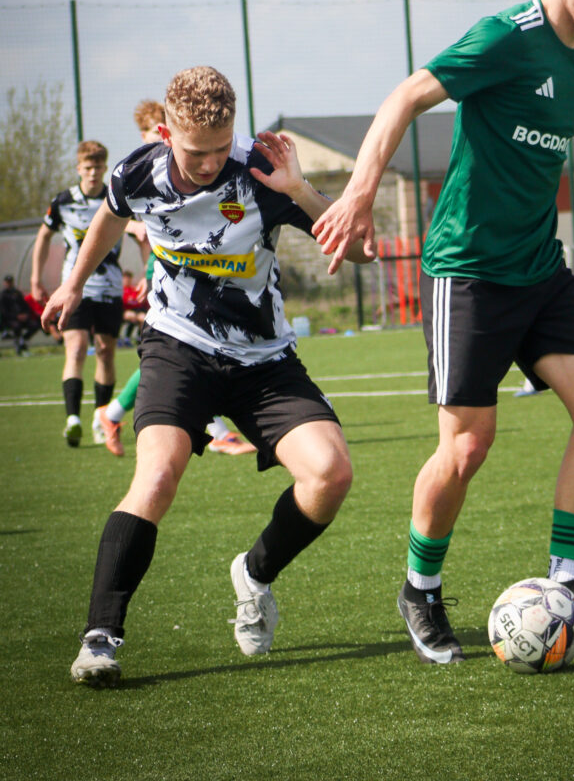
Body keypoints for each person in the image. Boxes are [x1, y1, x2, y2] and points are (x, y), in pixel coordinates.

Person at [313, 0, 574, 663]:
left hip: (539, 269)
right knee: (466, 447)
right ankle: (420, 590)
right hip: (468, 272)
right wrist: (360, 195)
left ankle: (567, 590)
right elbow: (404, 96)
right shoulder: (505, 36)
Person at [41, 65, 371, 686]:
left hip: (264, 359)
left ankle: (255, 574)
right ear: (167, 134)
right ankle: (100, 638)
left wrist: (300, 190)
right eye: (197, 152)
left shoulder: (261, 170)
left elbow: (358, 249)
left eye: (222, 147)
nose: (212, 162)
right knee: (157, 476)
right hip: (178, 347)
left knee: (331, 474)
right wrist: (73, 283)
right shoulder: (136, 171)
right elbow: (110, 216)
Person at [93, 98, 256, 457]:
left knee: (186, 346)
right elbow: (117, 217)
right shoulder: (140, 171)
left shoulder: (184, 168)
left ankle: (114, 413)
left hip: (174, 263)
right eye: (149, 131)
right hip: (169, 267)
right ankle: (217, 432)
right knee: (187, 344)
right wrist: (140, 249)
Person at [31, 141, 125, 446]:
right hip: (74, 288)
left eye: (98, 167)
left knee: (105, 352)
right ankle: (72, 419)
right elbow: (43, 237)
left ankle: (101, 419)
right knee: (76, 347)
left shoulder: (116, 198)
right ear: (78, 168)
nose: (93, 173)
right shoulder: (63, 202)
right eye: (88, 167)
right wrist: (36, 278)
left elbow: (139, 232)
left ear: (105, 168)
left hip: (109, 287)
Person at [0, 274, 40, 355]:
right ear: (5, 283)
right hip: (10, 319)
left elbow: (25, 306)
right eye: (8, 282)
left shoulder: (17, 293)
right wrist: (16, 316)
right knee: (17, 326)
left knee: (35, 325)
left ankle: (24, 340)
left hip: (22, 318)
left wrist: (26, 315)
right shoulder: (3, 295)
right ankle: (18, 346)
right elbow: (3, 311)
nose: (9, 283)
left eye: (10, 282)